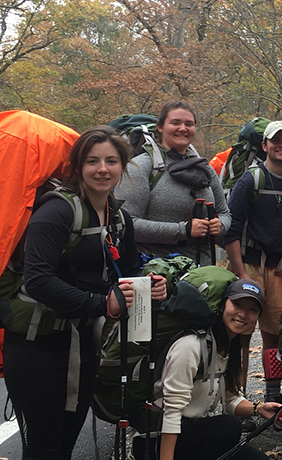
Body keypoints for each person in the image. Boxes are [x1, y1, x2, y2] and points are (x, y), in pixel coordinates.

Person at [3, 126, 167, 460]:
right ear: (78, 166)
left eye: (111, 161)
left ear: (123, 166)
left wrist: (150, 287)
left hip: (85, 346)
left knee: (65, 446)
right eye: (92, 161)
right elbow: (37, 279)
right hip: (38, 350)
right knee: (43, 450)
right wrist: (100, 304)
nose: (102, 169)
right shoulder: (56, 211)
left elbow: (130, 273)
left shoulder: (119, 218)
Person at [224, 120, 282, 404]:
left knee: (275, 335)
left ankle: (272, 401)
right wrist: (239, 275)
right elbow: (232, 231)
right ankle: (238, 399)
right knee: (239, 336)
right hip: (248, 265)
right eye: (276, 141)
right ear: (265, 146)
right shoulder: (250, 180)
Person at [147, 279, 279, 460]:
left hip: (193, 435)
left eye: (252, 310)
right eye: (237, 304)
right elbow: (172, 412)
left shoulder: (229, 347)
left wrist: (259, 408)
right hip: (159, 440)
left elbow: (229, 398)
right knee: (229, 427)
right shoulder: (191, 346)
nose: (243, 314)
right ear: (223, 304)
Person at [114, 100, 231, 262]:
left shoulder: (205, 168)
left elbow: (224, 212)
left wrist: (220, 226)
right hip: (153, 270)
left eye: (189, 124)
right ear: (160, 127)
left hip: (202, 272)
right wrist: (183, 229)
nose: (183, 128)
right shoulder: (141, 167)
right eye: (175, 123)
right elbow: (128, 223)